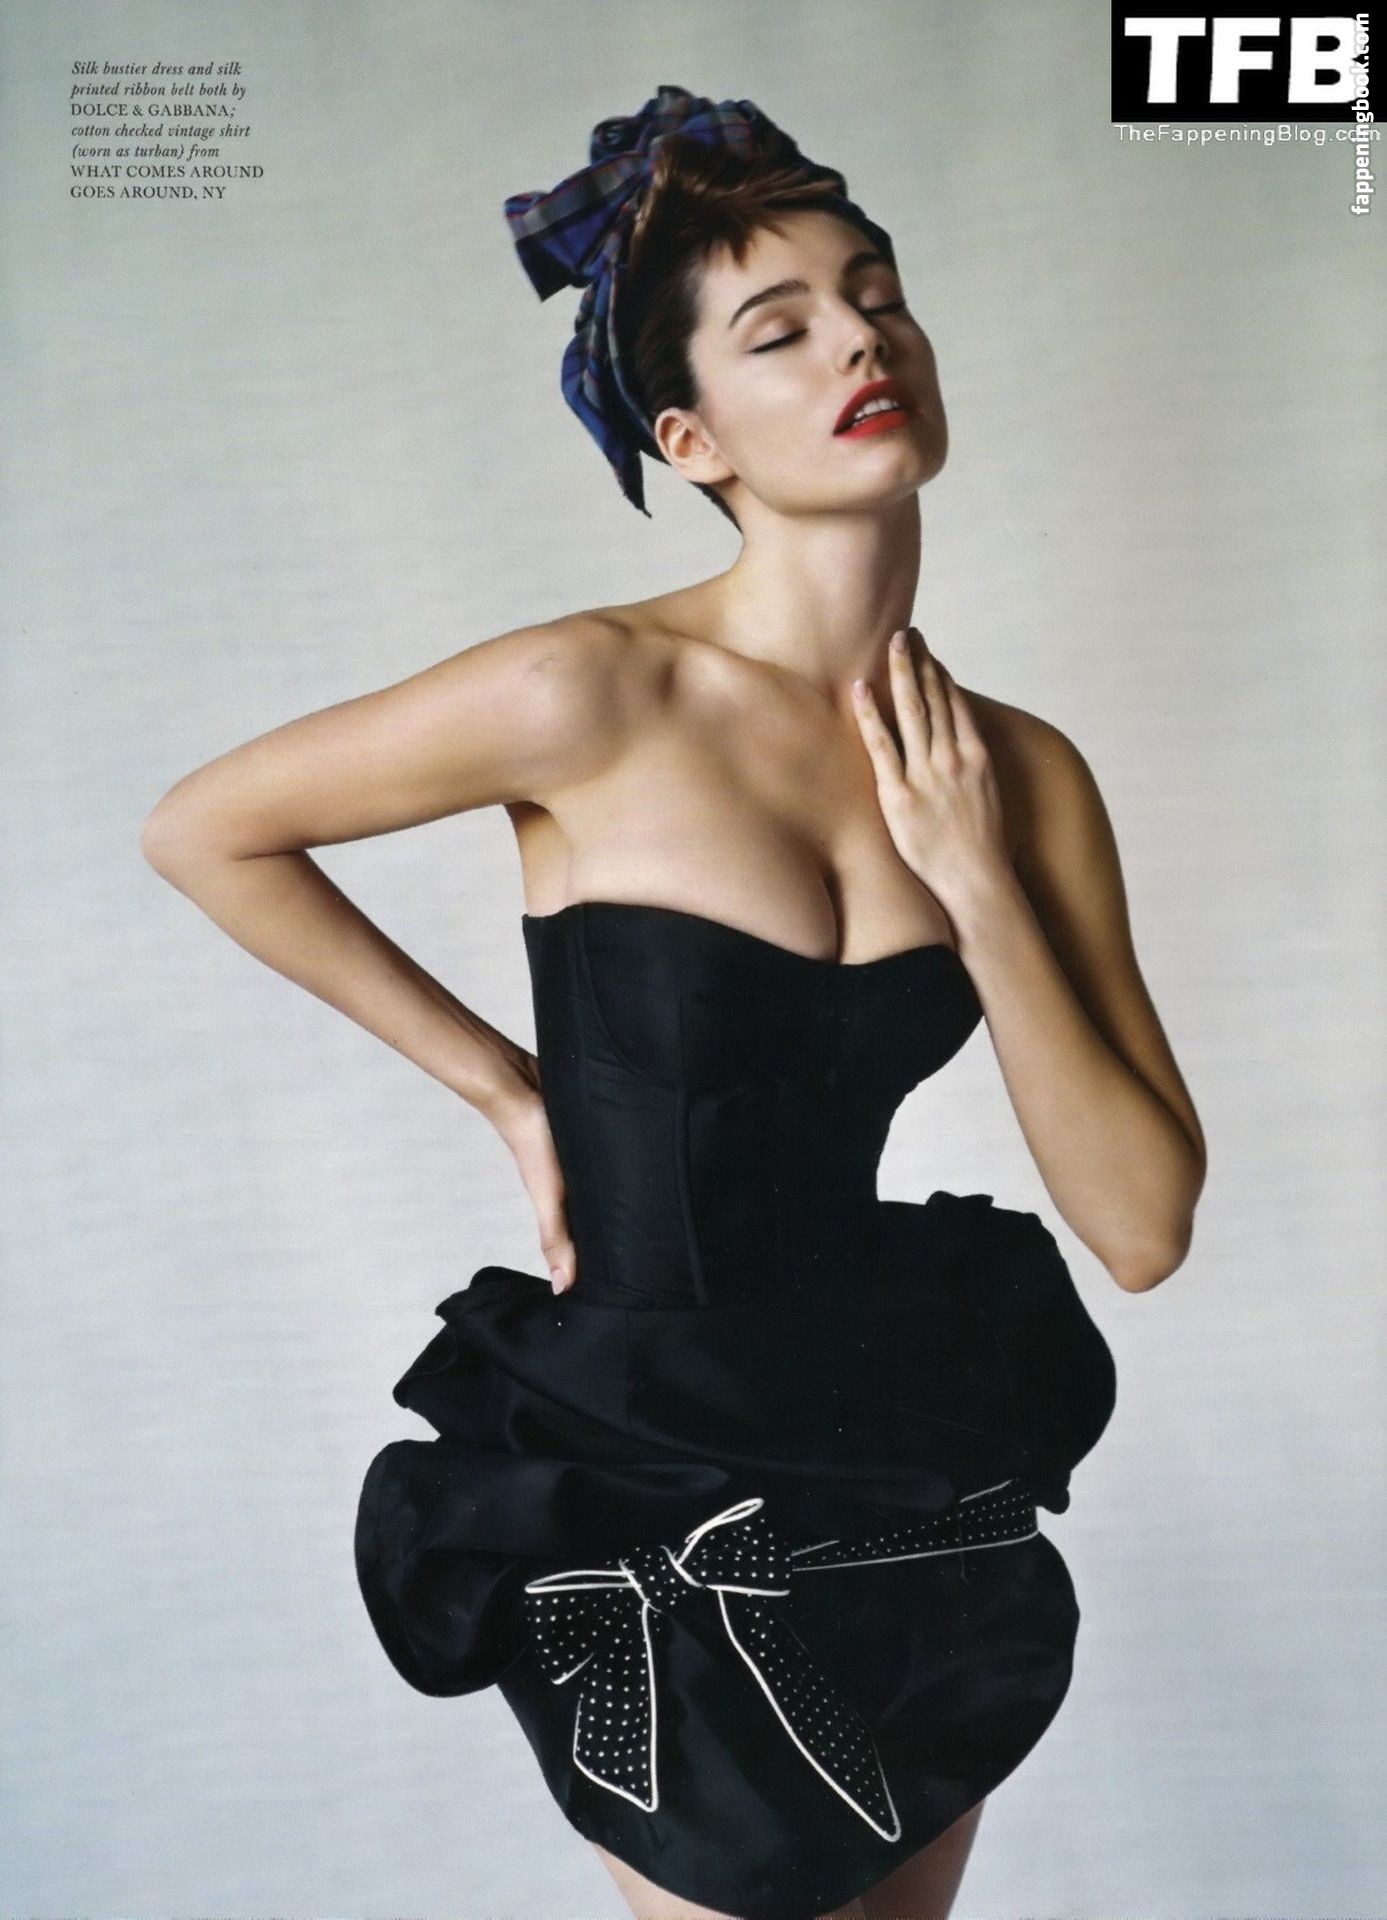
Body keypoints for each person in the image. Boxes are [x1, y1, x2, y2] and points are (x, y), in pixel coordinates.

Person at [141, 83, 1206, 1920]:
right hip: (652, 1476)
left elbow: (1142, 1225)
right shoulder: (590, 691)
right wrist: (508, 1090)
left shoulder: (1019, 773)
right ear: (689, 436)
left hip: (901, 1459)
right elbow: (206, 829)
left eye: (878, 296)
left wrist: (978, 885)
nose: (861, 340)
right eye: (781, 329)